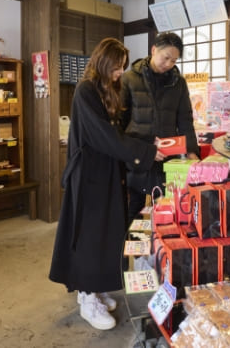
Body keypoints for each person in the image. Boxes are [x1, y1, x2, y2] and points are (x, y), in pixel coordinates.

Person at [49, 38, 165, 330]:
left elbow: (118, 133)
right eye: (116, 68)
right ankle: (87, 297)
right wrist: (147, 152)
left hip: (107, 173)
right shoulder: (85, 91)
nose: (118, 74)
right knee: (90, 236)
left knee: (106, 233)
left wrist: (147, 143)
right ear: (103, 62)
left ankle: (96, 288)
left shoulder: (105, 90)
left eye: (122, 68)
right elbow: (104, 137)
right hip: (89, 176)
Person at [121, 32, 200, 220]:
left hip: (168, 157)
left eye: (174, 61)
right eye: (166, 58)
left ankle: (162, 249)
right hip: (138, 155)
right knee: (134, 208)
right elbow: (121, 123)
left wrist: (191, 151)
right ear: (154, 50)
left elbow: (185, 120)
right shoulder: (129, 79)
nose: (169, 64)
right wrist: (132, 150)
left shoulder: (178, 83)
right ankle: (130, 247)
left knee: (168, 209)